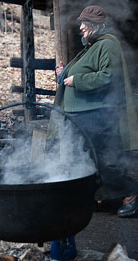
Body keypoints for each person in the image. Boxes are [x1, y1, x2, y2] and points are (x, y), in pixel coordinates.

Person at [54, 5, 138, 218]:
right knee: (85, 160)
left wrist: (78, 79)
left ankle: (132, 194)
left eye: (85, 23)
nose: (80, 27)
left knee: (104, 162)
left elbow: (109, 76)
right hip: (81, 115)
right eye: (81, 22)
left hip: (97, 115)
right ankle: (90, 199)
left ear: (97, 25)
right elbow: (77, 76)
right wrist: (63, 73)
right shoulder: (90, 48)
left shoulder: (107, 44)